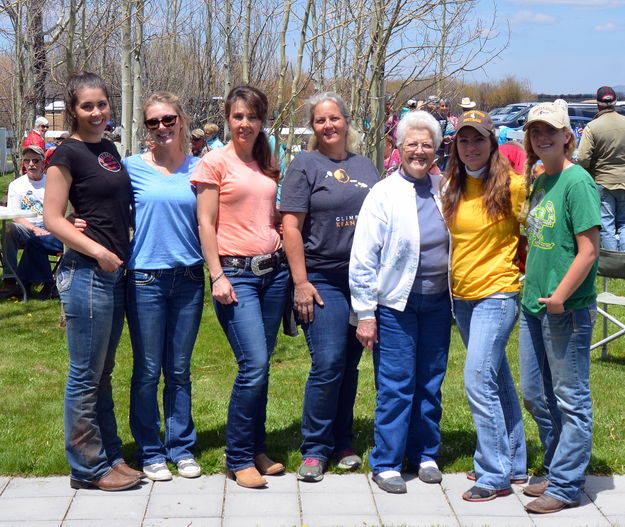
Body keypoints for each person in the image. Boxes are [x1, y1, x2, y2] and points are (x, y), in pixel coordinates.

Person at [43, 71, 141, 491]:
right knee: (85, 374)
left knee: (103, 373)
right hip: (86, 274)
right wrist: (95, 250)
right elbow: (50, 217)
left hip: (113, 273)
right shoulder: (66, 154)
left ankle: (110, 456)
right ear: (73, 110)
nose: (97, 112)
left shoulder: (108, 148)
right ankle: (87, 467)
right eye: (88, 106)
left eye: (102, 104)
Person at [350, 111, 451, 494]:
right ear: (399, 147)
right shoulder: (384, 193)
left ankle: (424, 454)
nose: (420, 151)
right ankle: (387, 461)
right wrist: (365, 313)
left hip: (438, 303)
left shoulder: (444, 188)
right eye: (413, 144)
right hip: (395, 304)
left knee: (430, 381)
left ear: (436, 149)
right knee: (396, 385)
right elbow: (362, 257)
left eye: (427, 144)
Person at [193, 85, 288, 489]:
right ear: (228, 120)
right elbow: (205, 223)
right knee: (255, 365)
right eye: (238, 116)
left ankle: (256, 449)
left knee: (261, 367)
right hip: (236, 275)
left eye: (252, 116)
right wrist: (217, 274)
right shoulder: (214, 162)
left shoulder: (268, 160)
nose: (245, 123)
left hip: (274, 274)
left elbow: (273, 212)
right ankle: (236, 457)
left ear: (262, 120)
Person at [280, 91, 378, 483]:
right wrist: (300, 282)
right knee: (329, 361)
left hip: (361, 280)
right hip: (321, 277)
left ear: (346, 121)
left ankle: (344, 442)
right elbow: (290, 226)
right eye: (321, 120)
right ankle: (315, 449)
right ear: (313, 126)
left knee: (350, 365)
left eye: (334, 118)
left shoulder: (366, 166)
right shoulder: (304, 165)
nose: (329, 126)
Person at [442, 110, 528, 502]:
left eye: (478, 139)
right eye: (464, 140)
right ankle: (515, 461)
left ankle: (493, 473)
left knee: (477, 378)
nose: (470, 147)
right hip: (463, 297)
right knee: (497, 379)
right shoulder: (453, 184)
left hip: (498, 292)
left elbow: (534, 230)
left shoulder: (513, 186)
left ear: (492, 143)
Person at [519, 100, 600, 514]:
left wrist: (561, 297)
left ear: (567, 136)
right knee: (535, 393)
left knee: (571, 397)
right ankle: (555, 465)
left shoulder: (578, 182)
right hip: (533, 305)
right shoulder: (540, 180)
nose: (543, 137)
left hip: (565, 309)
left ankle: (567, 485)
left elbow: (589, 251)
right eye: (535, 131)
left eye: (550, 130)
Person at [124, 92, 205, 482]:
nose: (161, 128)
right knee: (147, 370)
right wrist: (79, 223)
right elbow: (102, 207)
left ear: (181, 121)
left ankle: (181, 447)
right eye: (153, 122)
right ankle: (151, 451)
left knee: (179, 369)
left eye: (168, 120)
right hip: (145, 280)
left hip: (189, 278)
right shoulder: (131, 168)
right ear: (145, 128)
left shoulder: (200, 168)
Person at [3, 145, 63, 299]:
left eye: (35, 160)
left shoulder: (52, 182)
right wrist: (34, 229)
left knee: (36, 243)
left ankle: (24, 284)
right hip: (25, 226)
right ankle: (10, 279)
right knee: (9, 229)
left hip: (49, 226)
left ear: (43, 163)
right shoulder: (16, 185)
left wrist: (50, 227)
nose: (31, 164)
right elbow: (15, 216)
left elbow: (60, 210)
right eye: (27, 161)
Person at [577, 86, 625, 251]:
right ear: (615, 102)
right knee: (624, 222)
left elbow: (583, 158)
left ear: (597, 104)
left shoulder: (592, 127)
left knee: (607, 223)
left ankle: (613, 264)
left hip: (603, 181)